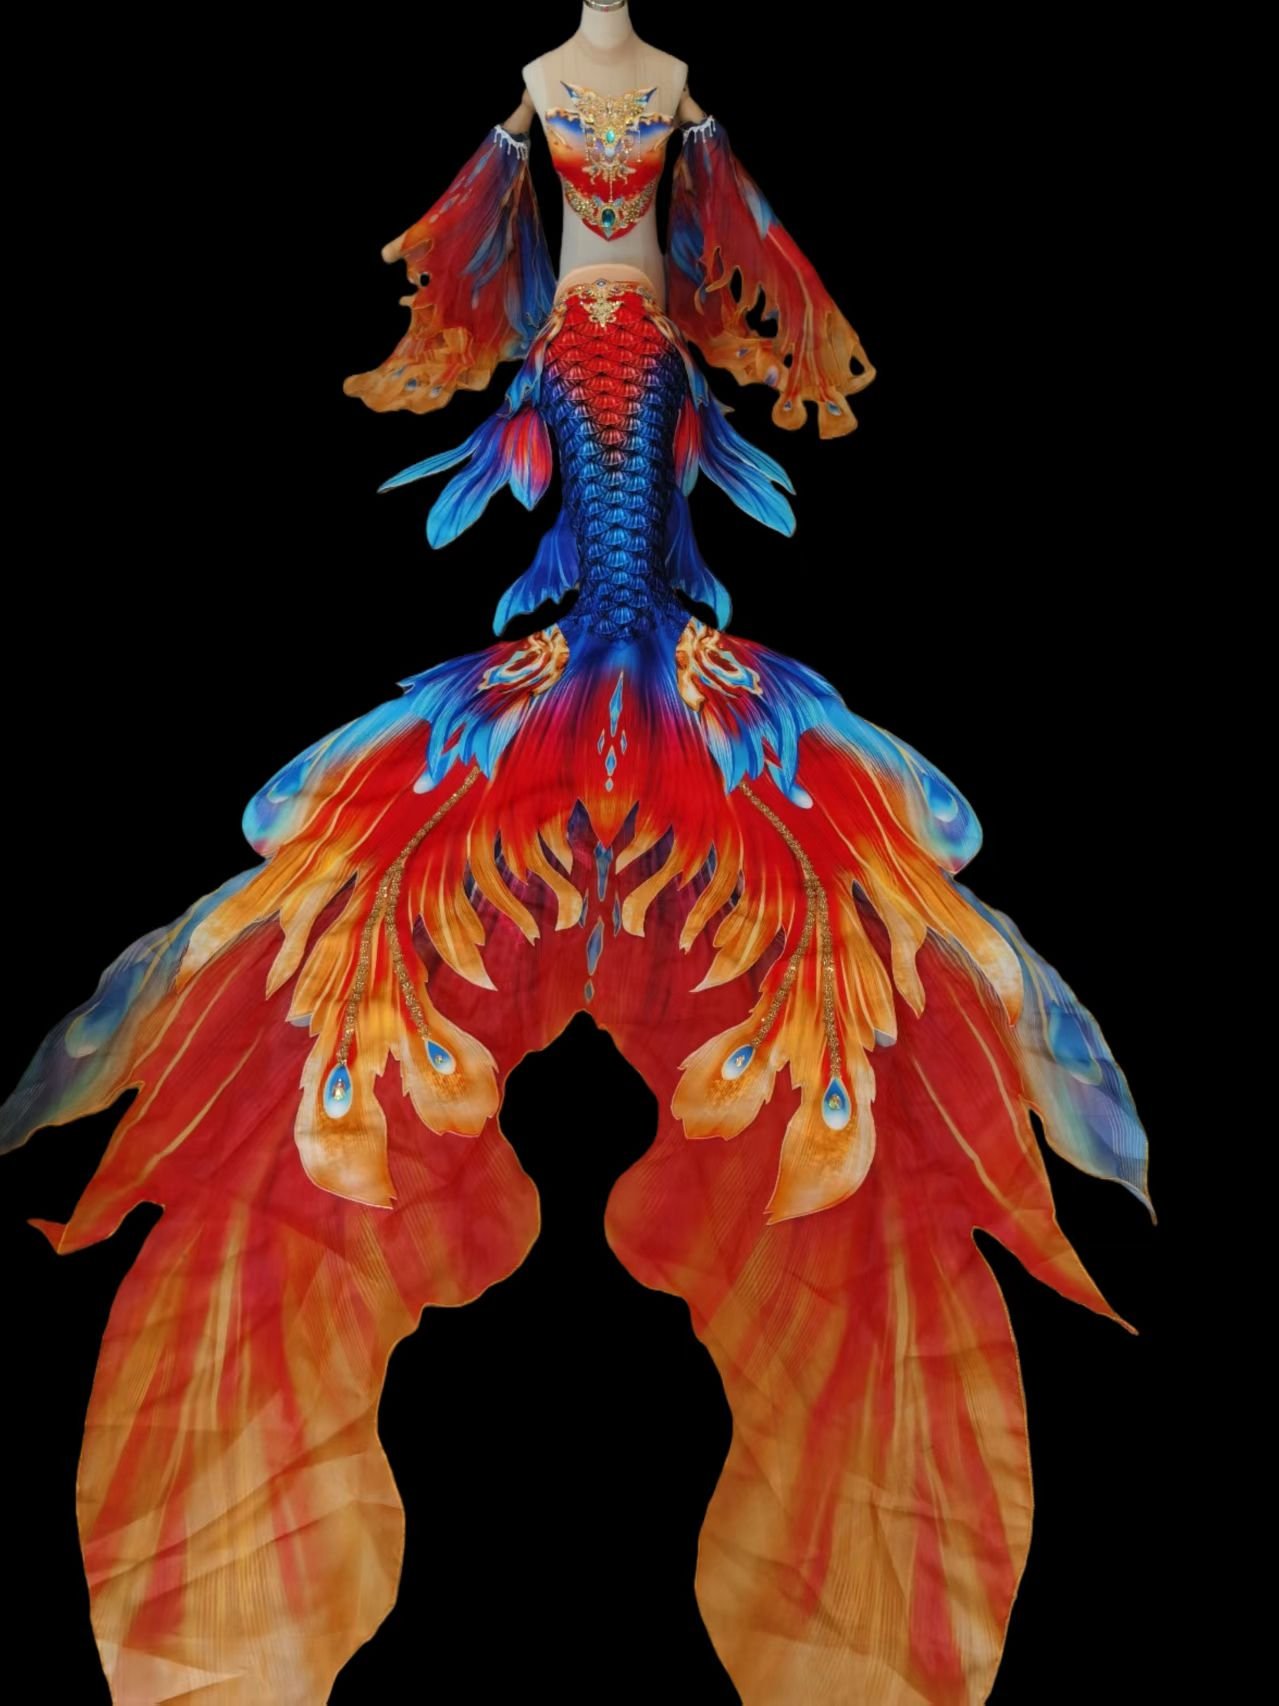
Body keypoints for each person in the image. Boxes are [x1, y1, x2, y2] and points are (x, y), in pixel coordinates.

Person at [0, 6, 1151, 1701]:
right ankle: (227, 1597)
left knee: (885, 1050)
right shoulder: (539, 136)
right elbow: (474, 343)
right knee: (284, 1030)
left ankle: (866, 1612)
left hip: (670, 667)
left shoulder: (675, 141)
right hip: (578, 668)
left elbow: (754, 340)